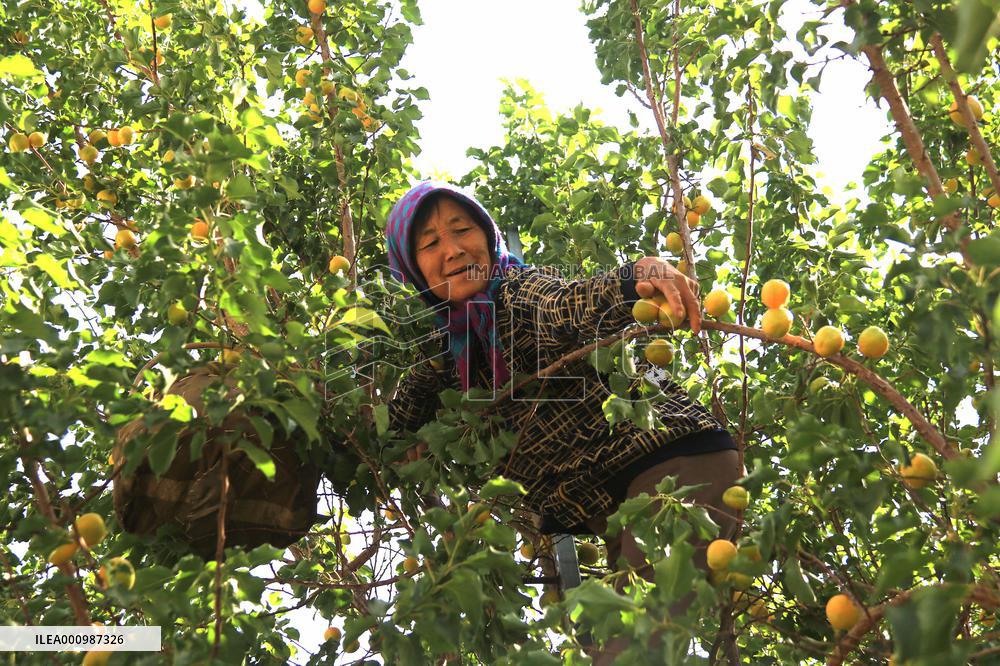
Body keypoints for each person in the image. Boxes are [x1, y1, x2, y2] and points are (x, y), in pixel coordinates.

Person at [384, 181, 741, 663]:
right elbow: (391, 430)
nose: (452, 250)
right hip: (617, 505)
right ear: (412, 271)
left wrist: (634, 276)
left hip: (673, 470)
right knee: (610, 646)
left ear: (487, 237)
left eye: (462, 229)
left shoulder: (515, 291)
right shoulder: (451, 351)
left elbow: (567, 304)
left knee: (631, 650)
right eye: (429, 244)